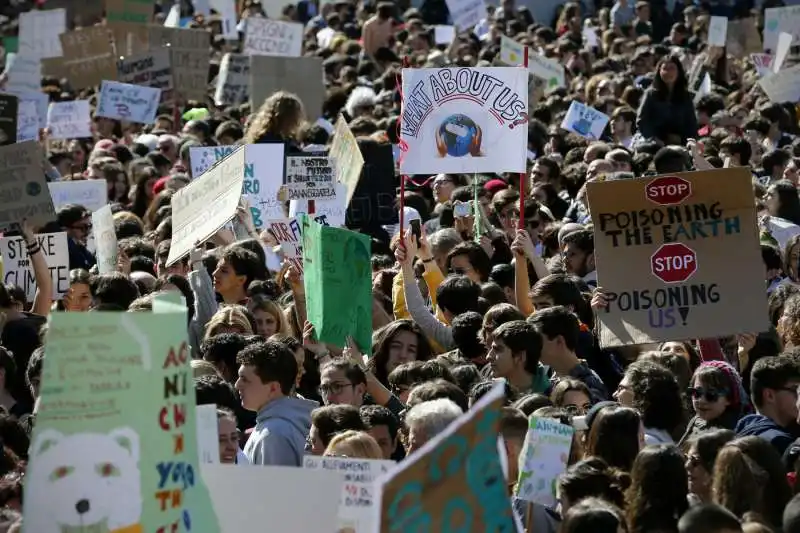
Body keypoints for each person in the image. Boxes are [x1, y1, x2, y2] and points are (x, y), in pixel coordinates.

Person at [235, 340, 317, 466]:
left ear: (273, 388)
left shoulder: (273, 435)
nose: (237, 385)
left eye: (245, 379)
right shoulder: (278, 427)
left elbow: (274, 486)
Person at [735, 356, 800, 456]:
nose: (799, 396)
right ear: (769, 395)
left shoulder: (745, 425)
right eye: (795, 389)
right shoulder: (778, 444)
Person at [636, 54, 699, 145]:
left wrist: (684, 140)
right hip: (654, 143)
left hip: (680, 144)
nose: (668, 72)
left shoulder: (686, 96)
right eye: (665, 69)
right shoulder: (651, 94)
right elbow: (642, 121)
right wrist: (654, 139)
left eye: (672, 69)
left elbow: (691, 124)